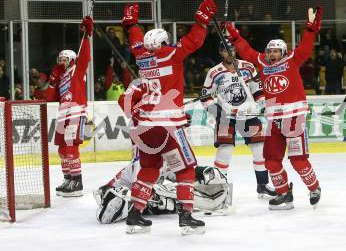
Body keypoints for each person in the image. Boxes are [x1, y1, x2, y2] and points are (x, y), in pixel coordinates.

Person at [118, 0, 217, 235]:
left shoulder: (142, 57)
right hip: (168, 125)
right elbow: (194, 41)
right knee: (186, 168)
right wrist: (202, 19)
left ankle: (134, 215)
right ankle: (186, 217)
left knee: (149, 169)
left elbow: (135, 41)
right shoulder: (171, 54)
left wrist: (131, 25)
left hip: (145, 126)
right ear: (163, 41)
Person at [224, 6, 323, 210]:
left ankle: (314, 188)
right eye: (269, 51)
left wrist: (311, 29)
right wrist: (234, 35)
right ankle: (283, 193)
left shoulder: (293, 60)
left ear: (284, 52)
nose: (271, 54)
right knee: (270, 161)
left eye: (276, 50)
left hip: (294, 118)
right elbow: (246, 51)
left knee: (298, 160)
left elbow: (305, 46)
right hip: (274, 120)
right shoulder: (263, 62)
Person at [200, 41, 276, 199]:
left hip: (249, 114)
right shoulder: (214, 72)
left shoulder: (248, 67)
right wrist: (215, 110)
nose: (231, 53)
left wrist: (262, 103)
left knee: (259, 149)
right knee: (225, 151)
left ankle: (262, 185)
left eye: (233, 50)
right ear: (221, 52)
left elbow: (257, 90)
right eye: (227, 51)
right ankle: (218, 190)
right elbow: (205, 96)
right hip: (226, 117)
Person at [93, 154, 232, 224]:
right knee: (162, 196)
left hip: (132, 193)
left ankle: (123, 206)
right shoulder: (143, 163)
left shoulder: (162, 161)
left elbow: (179, 175)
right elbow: (141, 188)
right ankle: (116, 204)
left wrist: (201, 171)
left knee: (164, 194)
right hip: (111, 191)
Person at [45, 16, 93, 197]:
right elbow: (50, 98)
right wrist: (52, 80)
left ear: (72, 60)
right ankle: (68, 178)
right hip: (62, 116)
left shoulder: (77, 70)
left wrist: (87, 35)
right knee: (62, 148)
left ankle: (77, 182)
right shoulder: (61, 76)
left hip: (75, 113)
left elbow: (86, 56)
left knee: (71, 147)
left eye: (65, 59)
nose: (61, 62)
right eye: (60, 59)